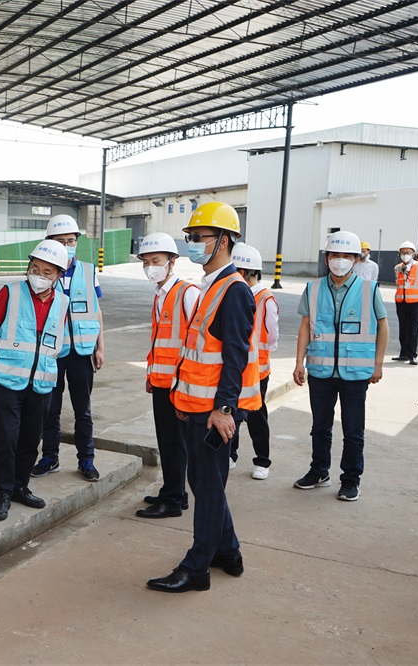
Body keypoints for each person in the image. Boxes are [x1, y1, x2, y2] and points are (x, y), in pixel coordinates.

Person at [148, 202, 259, 594]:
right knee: (202, 480)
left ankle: (197, 569)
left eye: (199, 238)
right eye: (190, 238)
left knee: (208, 487)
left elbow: (235, 357)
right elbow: (196, 352)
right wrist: (182, 399)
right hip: (195, 406)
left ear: (224, 240)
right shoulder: (211, 285)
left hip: (216, 411)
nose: (192, 244)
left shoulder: (235, 290)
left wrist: (224, 409)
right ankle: (228, 551)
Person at [292, 231, 388, 502]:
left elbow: (382, 325)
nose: (340, 260)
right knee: (320, 427)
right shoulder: (313, 288)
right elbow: (304, 327)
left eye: (347, 256)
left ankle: (351, 479)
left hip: (355, 373)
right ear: (326, 258)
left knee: (353, 430)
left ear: (356, 259)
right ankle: (319, 471)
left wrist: (378, 364)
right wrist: (299, 361)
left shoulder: (369, 289)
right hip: (320, 370)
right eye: (335, 255)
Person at [0, 240, 70, 521]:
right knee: (6, 440)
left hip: (43, 383)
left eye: (47, 272)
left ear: (58, 275)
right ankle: (4, 493)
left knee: (31, 439)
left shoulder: (62, 302)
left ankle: (21, 486)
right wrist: (0, 357)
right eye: (35, 268)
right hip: (8, 382)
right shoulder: (10, 292)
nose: (39, 275)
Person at [32, 215, 104, 482]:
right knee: (50, 409)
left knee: (82, 411)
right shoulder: (41, 274)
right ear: (49, 243)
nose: (67, 245)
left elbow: (97, 312)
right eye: (61, 241)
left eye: (71, 241)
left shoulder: (88, 270)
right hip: (52, 353)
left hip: (82, 352)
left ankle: (86, 460)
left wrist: (100, 347)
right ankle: (50, 457)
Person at [134, 233, 199, 519]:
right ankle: (174, 491)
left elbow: (196, 343)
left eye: (156, 261)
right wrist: (152, 374)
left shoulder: (187, 293)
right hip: (162, 382)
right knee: (168, 441)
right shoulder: (161, 294)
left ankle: (173, 499)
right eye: (146, 262)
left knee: (174, 443)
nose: (151, 267)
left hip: (178, 385)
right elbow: (161, 342)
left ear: (173, 261)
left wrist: (184, 383)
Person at [229, 242, 278, 480]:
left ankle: (262, 461)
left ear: (248, 272)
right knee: (233, 413)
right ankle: (231, 454)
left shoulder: (265, 297)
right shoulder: (236, 293)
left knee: (256, 415)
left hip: (257, 370)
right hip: (237, 367)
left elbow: (273, 335)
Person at [392, 241, 418, 365]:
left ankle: (412, 354)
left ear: (413, 254)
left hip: (415, 301)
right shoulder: (398, 267)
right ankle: (403, 353)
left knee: (413, 328)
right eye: (403, 252)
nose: (405, 255)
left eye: (408, 252)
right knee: (403, 328)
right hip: (401, 301)